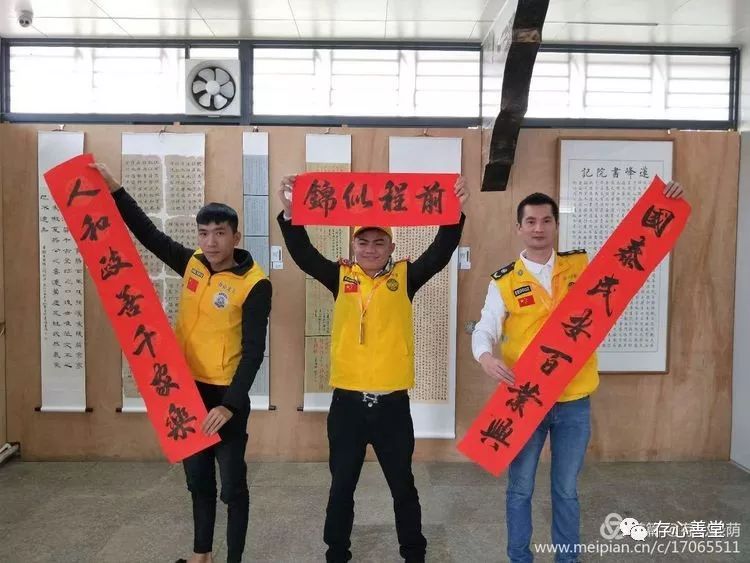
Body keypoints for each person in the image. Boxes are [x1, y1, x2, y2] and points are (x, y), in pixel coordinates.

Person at [471, 182, 685, 563]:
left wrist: (663, 207)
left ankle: (567, 559)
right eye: (531, 221)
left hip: (574, 401)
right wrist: (485, 356)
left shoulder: (581, 266)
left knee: (566, 489)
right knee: (519, 489)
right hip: (525, 400)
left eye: (546, 221)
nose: (539, 228)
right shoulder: (504, 281)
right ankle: (519, 557)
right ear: (519, 228)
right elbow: (485, 327)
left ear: (556, 225)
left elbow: (629, 254)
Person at [277, 174, 468, 562]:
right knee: (341, 487)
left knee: (403, 486)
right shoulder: (339, 276)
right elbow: (304, 254)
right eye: (363, 242)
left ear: (391, 247)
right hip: (347, 405)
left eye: (379, 242)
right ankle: (336, 553)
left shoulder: (406, 277)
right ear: (353, 245)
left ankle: (413, 553)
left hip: (392, 405)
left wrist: (455, 210)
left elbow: (440, 252)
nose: (370, 249)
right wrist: (290, 213)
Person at [91, 162, 272, 563]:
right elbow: (148, 234)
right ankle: (201, 555)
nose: (210, 242)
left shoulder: (254, 284)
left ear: (235, 236)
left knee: (233, 486)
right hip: (185, 391)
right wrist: (115, 188)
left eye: (219, 233)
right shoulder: (192, 264)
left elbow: (254, 351)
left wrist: (230, 405)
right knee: (197, 480)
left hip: (225, 397)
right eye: (203, 233)